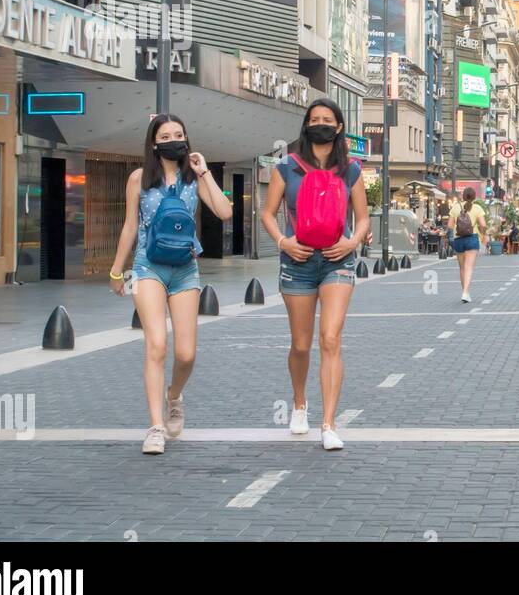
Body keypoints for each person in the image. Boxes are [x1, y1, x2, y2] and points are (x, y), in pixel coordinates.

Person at [110, 114, 233, 455]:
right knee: (157, 346)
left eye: (179, 134)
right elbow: (130, 226)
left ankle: (174, 395)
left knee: (186, 353)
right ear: (154, 143)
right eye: (166, 135)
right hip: (148, 266)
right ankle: (154, 427)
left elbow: (224, 212)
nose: (174, 139)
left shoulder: (194, 177)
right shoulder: (139, 178)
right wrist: (117, 270)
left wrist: (205, 171)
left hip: (185, 269)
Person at [260, 98, 370, 452]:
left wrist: (352, 242)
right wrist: (282, 242)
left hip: (337, 260)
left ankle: (329, 424)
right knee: (302, 344)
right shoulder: (285, 168)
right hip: (298, 261)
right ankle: (299, 403)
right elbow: (268, 212)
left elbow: (363, 216)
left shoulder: (351, 170)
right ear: (306, 126)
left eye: (327, 119)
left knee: (330, 338)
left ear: (339, 127)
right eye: (314, 119)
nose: (320, 123)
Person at [447, 186, 487, 303]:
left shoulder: (455, 208)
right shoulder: (477, 208)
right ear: (474, 197)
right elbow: (483, 225)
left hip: (458, 239)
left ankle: (465, 292)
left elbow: (449, 226)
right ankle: (465, 292)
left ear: (463, 196)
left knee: (462, 268)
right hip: (472, 238)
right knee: (469, 267)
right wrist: (483, 235)